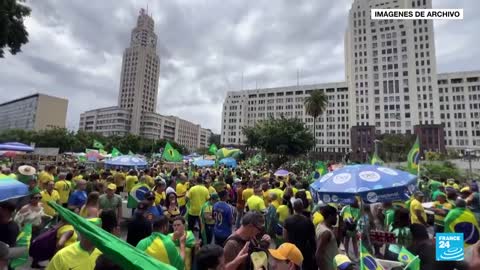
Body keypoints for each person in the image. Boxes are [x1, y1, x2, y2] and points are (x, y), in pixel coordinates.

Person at [283, 199, 317, 270]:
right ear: (302, 207)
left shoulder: (287, 220)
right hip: (305, 249)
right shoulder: (308, 221)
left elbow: (285, 236)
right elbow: (313, 238)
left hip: (292, 249)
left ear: (293, 207)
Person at [315, 205, 339, 270]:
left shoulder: (320, 225)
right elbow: (318, 254)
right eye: (335, 216)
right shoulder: (326, 233)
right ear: (330, 216)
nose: (336, 219)